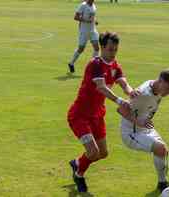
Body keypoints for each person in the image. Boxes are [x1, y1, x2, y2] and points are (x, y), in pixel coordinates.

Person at [67, 31, 139, 192]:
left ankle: (78, 163)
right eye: (110, 49)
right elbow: (101, 87)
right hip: (79, 115)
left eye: (115, 50)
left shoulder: (114, 65)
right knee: (93, 152)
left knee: (103, 153)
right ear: (102, 48)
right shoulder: (95, 64)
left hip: (97, 116)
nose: (113, 53)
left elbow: (123, 82)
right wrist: (120, 101)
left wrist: (131, 91)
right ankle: (78, 174)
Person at [68, 0, 100, 73]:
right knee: (81, 49)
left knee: (97, 48)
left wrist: (95, 21)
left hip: (92, 30)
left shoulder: (94, 6)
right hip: (84, 31)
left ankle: (93, 67)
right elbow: (75, 17)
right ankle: (71, 63)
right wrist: (86, 20)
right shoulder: (83, 5)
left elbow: (92, 17)